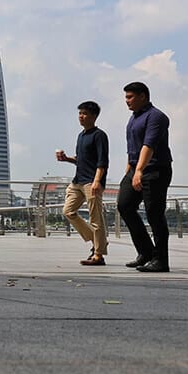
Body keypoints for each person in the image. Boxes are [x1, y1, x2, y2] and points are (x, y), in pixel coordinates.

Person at [116, 82, 173, 273]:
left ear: (143, 96)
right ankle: (146, 252)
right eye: (126, 97)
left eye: (130, 97)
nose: (127, 101)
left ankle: (161, 260)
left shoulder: (156, 117)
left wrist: (139, 170)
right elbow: (133, 148)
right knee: (124, 205)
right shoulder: (134, 118)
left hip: (155, 169)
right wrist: (129, 171)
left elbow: (149, 145)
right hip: (135, 168)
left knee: (154, 214)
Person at [56, 101, 109, 266]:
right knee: (68, 211)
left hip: (91, 183)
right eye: (80, 113)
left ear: (94, 116)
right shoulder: (81, 135)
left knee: (96, 219)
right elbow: (81, 160)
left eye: (85, 113)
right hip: (77, 182)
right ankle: (98, 240)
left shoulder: (99, 135)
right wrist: (66, 159)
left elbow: (102, 162)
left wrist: (97, 181)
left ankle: (98, 255)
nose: (81, 116)